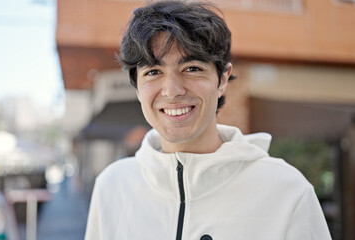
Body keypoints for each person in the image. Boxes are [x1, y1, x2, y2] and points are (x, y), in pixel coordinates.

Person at [85, 1, 332, 239]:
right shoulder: (113, 186)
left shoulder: (287, 192)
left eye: (192, 68)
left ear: (222, 79)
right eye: (153, 72)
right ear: (137, 88)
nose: (172, 91)